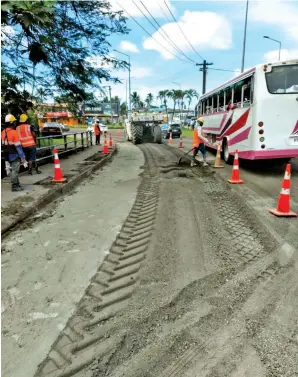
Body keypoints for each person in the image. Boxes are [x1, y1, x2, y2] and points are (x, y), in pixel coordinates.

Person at [1, 114, 27, 191]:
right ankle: (15, 186)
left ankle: (17, 184)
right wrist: (23, 157)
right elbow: (18, 146)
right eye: (14, 122)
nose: (15, 123)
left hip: (6, 154)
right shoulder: (14, 132)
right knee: (15, 171)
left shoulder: (2, 132)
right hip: (14, 154)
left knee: (13, 170)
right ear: (12, 122)